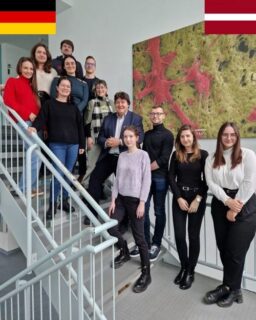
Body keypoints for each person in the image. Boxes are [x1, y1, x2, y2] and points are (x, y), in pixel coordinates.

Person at [204, 122, 256, 307]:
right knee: (224, 248)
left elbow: (250, 183)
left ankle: (229, 288)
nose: (228, 138)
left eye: (232, 134)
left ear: (237, 136)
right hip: (221, 203)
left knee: (235, 251)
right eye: (225, 134)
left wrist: (235, 208)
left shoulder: (248, 155)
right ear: (220, 137)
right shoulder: (211, 158)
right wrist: (227, 202)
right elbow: (211, 183)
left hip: (245, 204)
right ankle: (234, 289)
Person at [28, 76, 85, 220]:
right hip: (57, 145)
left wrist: (82, 145)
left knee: (68, 174)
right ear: (57, 88)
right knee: (57, 174)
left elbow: (80, 127)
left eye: (68, 87)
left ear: (70, 90)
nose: (66, 88)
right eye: (63, 86)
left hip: (73, 144)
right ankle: (52, 204)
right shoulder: (49, 104)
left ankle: (64, 201)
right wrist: (34, 128)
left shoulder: (74, 107)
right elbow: (41, 119)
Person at [86, 91, 144, 223]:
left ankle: (124, 220)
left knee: (124, 188)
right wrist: (107, 142)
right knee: (94, 180)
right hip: (109, 156)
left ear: (128, 104)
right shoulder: (108, 118)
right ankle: (91, 214)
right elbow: (100, 137)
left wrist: (120, 142)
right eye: (117, 102)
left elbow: (140, 138)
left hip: (125, 158)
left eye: (123, 102)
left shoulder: (136, 118)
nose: (120, 104)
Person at [108, 125, 151, 293]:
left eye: (131, 136)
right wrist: (113, 200)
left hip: (135, 201)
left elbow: (146, 181)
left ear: (137, 138)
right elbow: (117, 179)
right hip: (121, 200)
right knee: (111, 226)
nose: (127, 139)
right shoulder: (122, 156)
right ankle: (124, 250)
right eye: (125, 137)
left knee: (140, 238)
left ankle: (146, 272)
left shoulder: (143, 155)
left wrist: (142, 203)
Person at [130, 106, 174, 261]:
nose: (155, 116)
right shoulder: (147, 135)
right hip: (145, 179)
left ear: (164, 116)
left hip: (160, 178)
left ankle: (156, 244)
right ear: (150, 116)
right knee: (142, 210)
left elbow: (163, 159)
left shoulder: (168, 135)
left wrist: (146, 170)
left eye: (158, 114)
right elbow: (142, 155)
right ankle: (145, 242)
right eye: (153, 113)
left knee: (159, 211)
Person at [169, 124, 208, 290]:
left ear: (193, 137)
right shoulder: (176, 154)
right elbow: (171, 177)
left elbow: (207, 180)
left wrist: (197, 200)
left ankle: (191, 271)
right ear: (180, 139)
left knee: (193, 236)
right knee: (179, 235)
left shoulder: (203, 155)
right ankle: (184, 267)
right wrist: (178, 197)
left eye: (188, 136)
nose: (185, 139)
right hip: (180, 199)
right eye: (182, 136)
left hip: (196, 199)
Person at [3, 57, 42, 197]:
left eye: (31, 69)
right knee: (34, 154)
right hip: (23, 121)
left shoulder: (32, 86)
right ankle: (24, 188)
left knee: (35, 155)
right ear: (20, 68)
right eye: (25, 68)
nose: (28, 71)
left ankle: (28, 187)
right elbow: (8, 101)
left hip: (33, 124)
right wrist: (28, 114)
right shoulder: (12, 81)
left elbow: (36, 108)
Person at [51, 55, 89, 183]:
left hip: (78, 117)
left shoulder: (83, 83)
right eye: (67, 63)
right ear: (63, 66)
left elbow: (85, 100)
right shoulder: (58, 79)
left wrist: (74, 111)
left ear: (76, 65)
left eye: (72, 63)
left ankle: (80, 177)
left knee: (79, 152)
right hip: (61, 121)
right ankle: (57, 194)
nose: (70, 65)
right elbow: (53, 96)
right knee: (60, 165)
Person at [83, 79, 115, 187]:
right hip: (95, 137)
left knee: (104, 165)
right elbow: (87, 121)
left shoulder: (111, 103)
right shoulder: (92, 103)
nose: (100, 90)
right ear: (95, 91)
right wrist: (88, 137)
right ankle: (85, 186)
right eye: (98, 88)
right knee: (92, 164)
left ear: (106, 89)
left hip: (108, 139)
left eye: (102, 87)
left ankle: (99, 187)